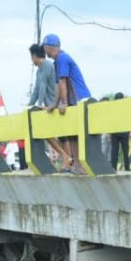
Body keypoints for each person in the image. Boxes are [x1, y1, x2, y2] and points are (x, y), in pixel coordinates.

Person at [41, 34, 89, 172]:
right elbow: (57, 85)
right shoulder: (57, 61)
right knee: (72, 133)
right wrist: (54, 105)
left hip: (80, 99)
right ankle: (77, 165)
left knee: (78, 133)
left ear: (48, 47)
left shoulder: (62, 58)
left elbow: (63, 82)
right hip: (74, 100)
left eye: (45, 48)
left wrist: (65, 103)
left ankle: (81, 165)